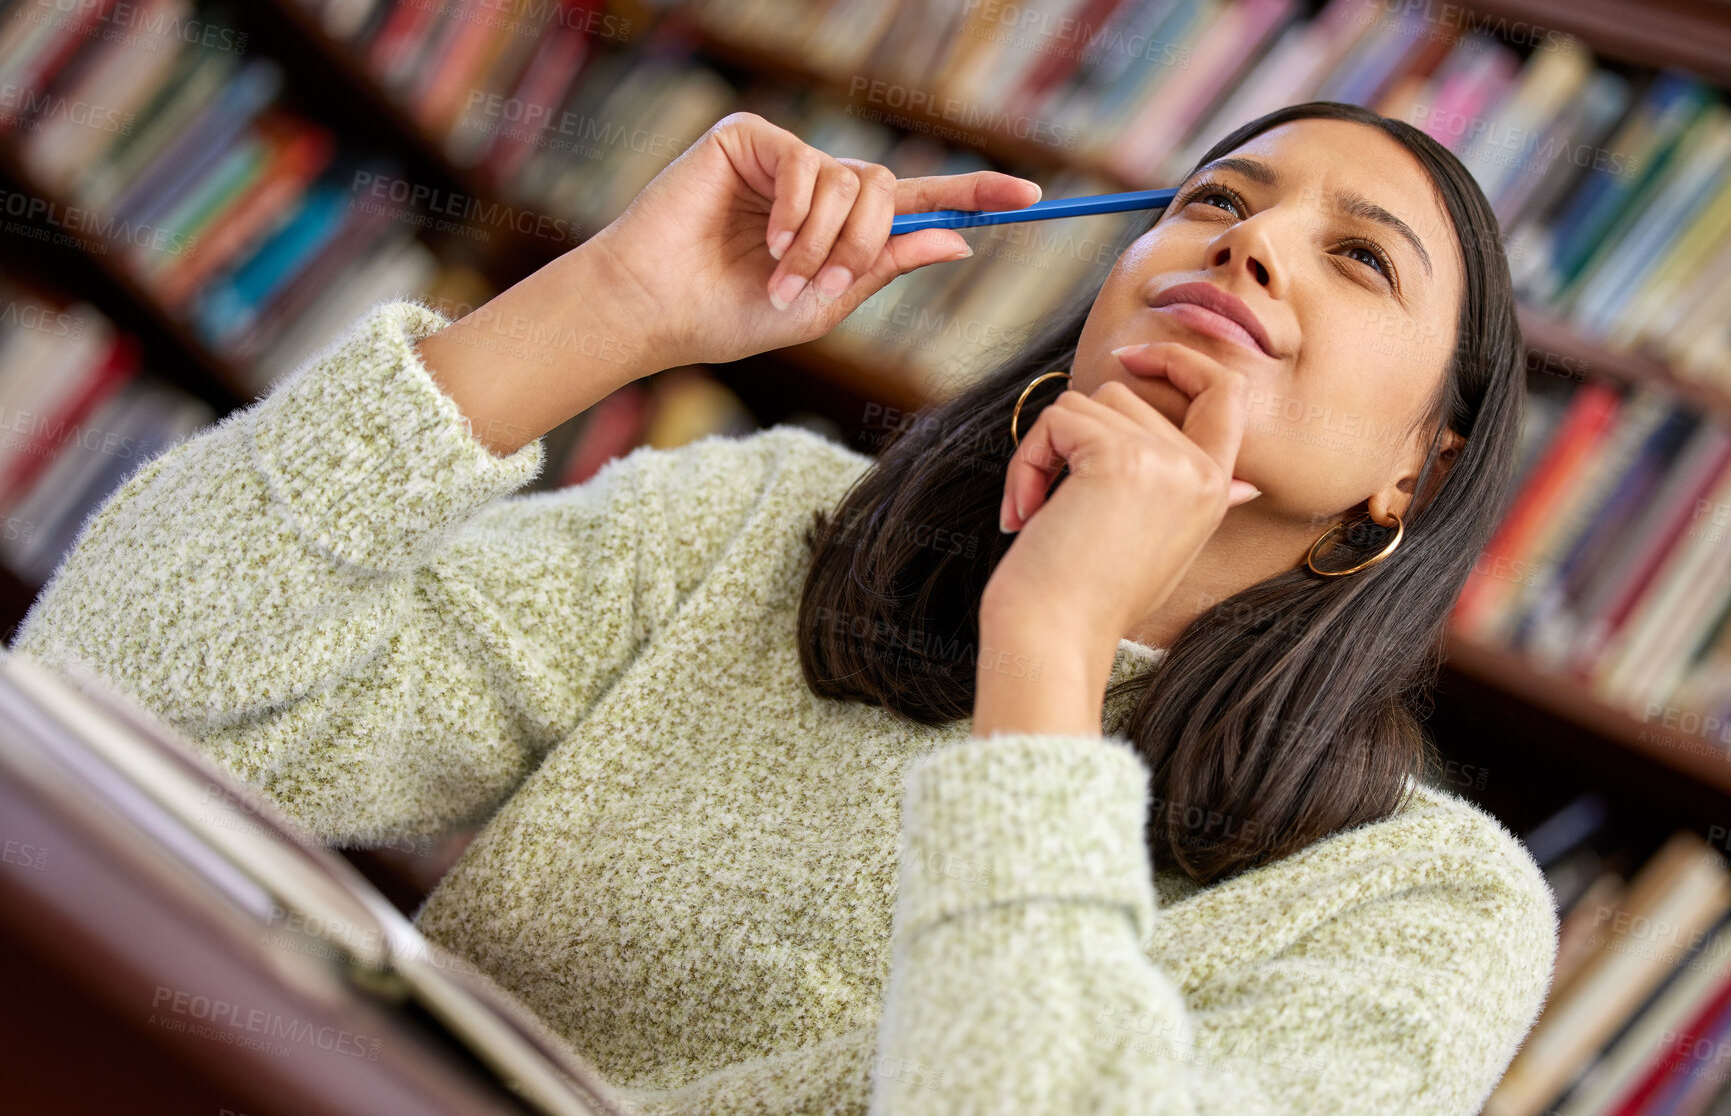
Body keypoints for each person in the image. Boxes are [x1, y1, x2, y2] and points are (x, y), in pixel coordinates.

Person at [8, 101, 1556, 1115]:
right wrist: (612, 303)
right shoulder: (765, 531)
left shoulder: (1434, 907)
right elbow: (131, 691)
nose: (1254, 242)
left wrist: (1055, 645)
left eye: (1359, 259)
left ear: (1415, 472)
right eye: (1221, 195)